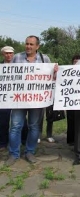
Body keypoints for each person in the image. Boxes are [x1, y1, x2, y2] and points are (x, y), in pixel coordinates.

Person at [6, 36, 56, 166]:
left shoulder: (45, 59)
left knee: (34, 127)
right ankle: (14, 154)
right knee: (15, 126)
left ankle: (30, 152)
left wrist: (55, 72)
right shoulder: (17, 57)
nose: (28, 46)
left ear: (37, 46)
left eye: (31, 44)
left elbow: (51, 78)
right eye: (27, 44)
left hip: (37, 101)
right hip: (18, 99)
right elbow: (8, 76)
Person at [0, 46, 15, 152]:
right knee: (3, 122)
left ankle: (22, 141)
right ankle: (3, 143)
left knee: (20, 122)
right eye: (6, 53)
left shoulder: (20, 66)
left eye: (10, 53)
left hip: (17, 99)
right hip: (4, 100)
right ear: (3, 54)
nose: (9, 55)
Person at [66, 54, 80, 146]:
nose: (76, 63)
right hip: (71, 100)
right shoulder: (68, 72)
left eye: (78, 61)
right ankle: (71, 139)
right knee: (71, 120)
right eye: (75, 61)